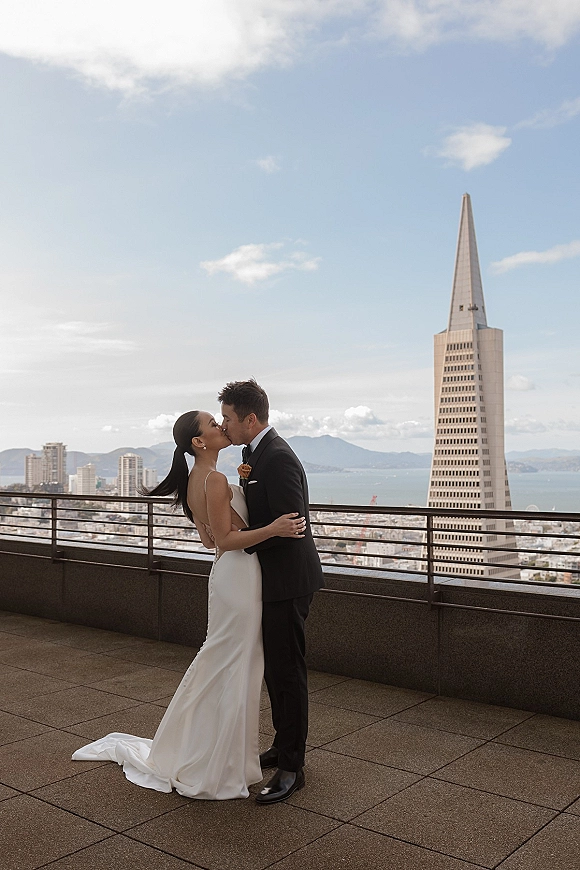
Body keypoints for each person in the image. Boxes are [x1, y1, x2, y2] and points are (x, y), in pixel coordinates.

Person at [71, 410, 306, 800]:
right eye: (214, 424)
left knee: (228, 662)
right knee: (232, 663)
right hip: (239, 577)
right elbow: (228, 540)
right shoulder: (213, 479)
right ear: (199, 442)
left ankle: (216, 751)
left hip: (233, 576)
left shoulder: (202, 478)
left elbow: (210, 540)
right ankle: (218, 755)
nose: (220, 427)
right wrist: (275, 528)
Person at [219, 379, 323, 805]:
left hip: (288, 580)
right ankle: (282, 747)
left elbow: (291, 526)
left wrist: (240, 541)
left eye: (227, 418)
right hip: (272, 578)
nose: (224, 426)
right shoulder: (255, 453)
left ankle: (293, 767)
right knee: (275, 669)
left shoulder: (276, 457)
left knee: (287, 671)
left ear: (250, 419)